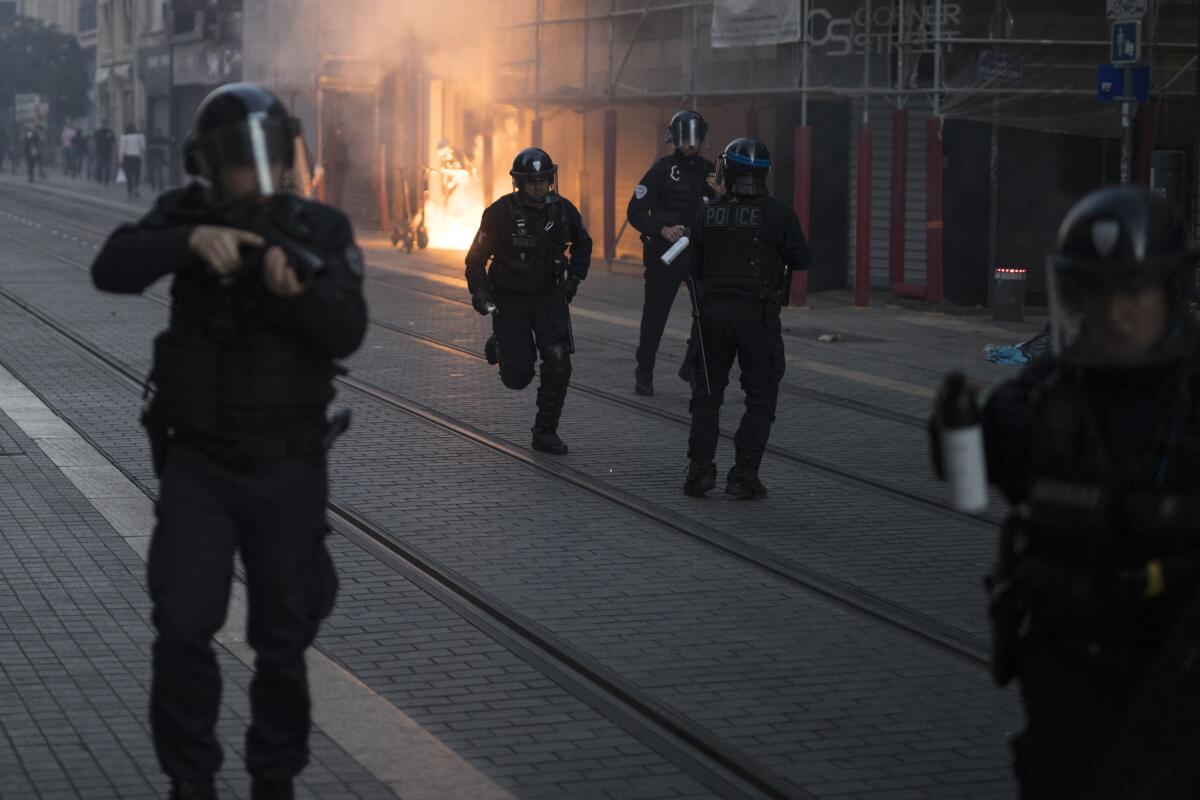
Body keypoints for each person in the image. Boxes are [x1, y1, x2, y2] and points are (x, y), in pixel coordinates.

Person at [90, 83, 367, 800]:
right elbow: (111, 267)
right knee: (182, 628)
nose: (257, 180)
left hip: (288, 466)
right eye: (241, 165)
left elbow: (348, 330)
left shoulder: (320, 229)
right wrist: (187, 240)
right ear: (213, 168)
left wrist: (297, 295)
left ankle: (273, 779)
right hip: (200, 467)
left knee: (283, 642)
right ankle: (193, 781)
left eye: (268, 160)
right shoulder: (190, 214)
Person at [932, 187, 1200, 798]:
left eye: (1133, 293)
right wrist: (955, 433)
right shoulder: (1046, 393)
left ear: (1168, 293)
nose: (1117, 315)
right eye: (1099, 295)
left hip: (1173, 680)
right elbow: (974, 486)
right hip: (1066, 669)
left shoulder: (1190, 399)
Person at [682, 138, 810, 499]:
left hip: (712, 317)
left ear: (728, 170)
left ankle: (700, 471)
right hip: (758, 317)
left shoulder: (707, 213)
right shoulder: (779, 214)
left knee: (707, 394)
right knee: (761, 397)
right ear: (765, 173)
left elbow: (691, 268)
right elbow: (802, 258)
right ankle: (743, 475)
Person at [465, 147, 592, 455]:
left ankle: (545, 431)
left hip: (549, 297)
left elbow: (583, 246)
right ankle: (502, 343)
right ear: (519, 183)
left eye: (543, 180)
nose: (538, 186)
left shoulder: (563, 210)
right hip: (511, 301)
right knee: (517, 377)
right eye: (531, 181)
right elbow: (475, 260)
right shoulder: (499, 213)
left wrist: (574, 280)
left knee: (559, 360)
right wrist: (481, 293)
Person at [626, 110, 718, 397]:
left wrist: (720, 194)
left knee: (707, 313)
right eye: (685, 137)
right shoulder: (661, 170)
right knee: (655, 316)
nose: (690, 144)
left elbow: (723, 212)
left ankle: (692, 366)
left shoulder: (710, 172)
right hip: (664, 253)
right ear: (675, 138)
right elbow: (635, 211)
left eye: (695, 138)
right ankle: (645, 371)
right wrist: (661, 229)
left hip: (698, 254)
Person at [120, 121, 147, 199]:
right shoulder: (140, 135)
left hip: (127, 158)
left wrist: (120, 160)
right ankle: (137, 189)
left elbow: (122, 149)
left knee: (128, 175)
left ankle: (129, 192)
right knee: (137, 174)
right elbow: (143, 147)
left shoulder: (124, 136)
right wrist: (144, 155)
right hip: (137, 157)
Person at [94, 119, 115, 185]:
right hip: (100, 152)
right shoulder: (98, 132)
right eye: (104, 124)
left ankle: (106, 180)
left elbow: (113, 140)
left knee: (108, 167)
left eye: (106, 124)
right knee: (99, 166)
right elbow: (95, 141)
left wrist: (113, 150)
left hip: (108, 152)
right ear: (102, 124)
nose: (105, 125)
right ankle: (99, 178)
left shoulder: (110, 132)